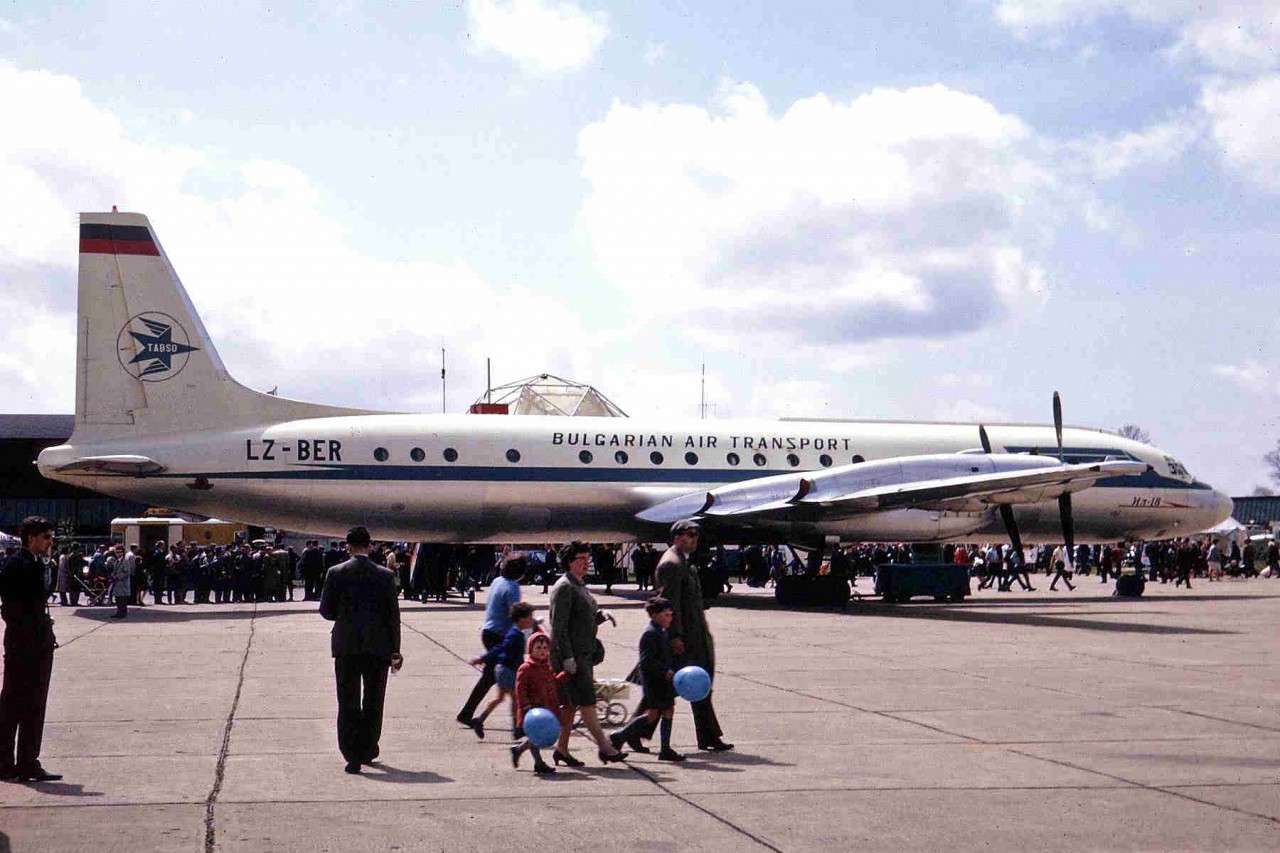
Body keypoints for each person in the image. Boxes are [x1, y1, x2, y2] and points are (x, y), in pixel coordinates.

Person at [319, 526, 402, 774]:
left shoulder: (335, 573)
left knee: (348, 701)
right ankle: (368, 748)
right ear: (370, 545)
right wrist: (395, 651)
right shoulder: (385, 576)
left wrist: (343, 616)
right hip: (378, 648)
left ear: (348, 546)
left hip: (346, 647)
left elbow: (326, 611)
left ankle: (352, 754)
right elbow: (393, 618)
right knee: (374, 701)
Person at [655, 519, 733, 752]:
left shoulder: (683, 562)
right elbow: (670, 606)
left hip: (694, 635)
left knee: (691, 687)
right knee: (668, 690)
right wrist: (675, 636)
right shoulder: (672, 563)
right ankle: (632, 732)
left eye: (696, 535)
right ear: (677, 537)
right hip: (685, 639)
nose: (695, 539)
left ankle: (708, 736)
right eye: (690, 535)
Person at [548, 542, 626, 766]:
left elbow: (581, 617)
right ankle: (606, 747)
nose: (585, 562)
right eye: (580, 559)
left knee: (571, 705)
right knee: (587, 702)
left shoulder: (579, 585)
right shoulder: (564, 587)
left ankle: (561, 749)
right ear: (569, 561)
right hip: (572, 656)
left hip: (583, 653)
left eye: (586, 558)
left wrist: (600, 616)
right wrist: (567, 658)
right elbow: (559, 626)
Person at [0, 516, 62, 782]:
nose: (51, 542)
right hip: (25, 645)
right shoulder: (19, 564)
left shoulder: (35, 564)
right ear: (31, 538)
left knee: (34, 705)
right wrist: (32, 634)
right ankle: (6, 763)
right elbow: (13, 608)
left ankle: (27, 762)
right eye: (46, 536)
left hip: (35, 643)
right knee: (14, 705)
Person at [610, 597, 684, 761]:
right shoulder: (650, 634)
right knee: (652, 714)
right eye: (666, 615)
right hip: (654, 681)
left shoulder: (661, 631)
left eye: (671, 615)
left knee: (666, 710)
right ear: (655, 615)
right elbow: (646, 661)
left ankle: (665, 749)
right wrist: (664, 671)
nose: (669, 618)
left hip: (662, 680)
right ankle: (619, 736)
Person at [457, 555, 525, 728]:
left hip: (488, 631)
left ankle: (467, 713)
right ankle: (519, 722)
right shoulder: (513, 587)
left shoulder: (498, 581)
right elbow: (516, 613)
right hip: (501, 635)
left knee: (490, 677)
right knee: (518, 674)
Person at [466, 601, 536, 739]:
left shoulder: (518, 632)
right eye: (530, 618)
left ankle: (479, 720)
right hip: (507, 671)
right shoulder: (514, 635)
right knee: (515, 699)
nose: (532, 620)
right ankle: (517, 728)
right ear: (522, 620)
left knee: (500, 698)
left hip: (504, 669)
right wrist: (483, 658)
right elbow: (501, 648)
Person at [511, 631, 564, 775]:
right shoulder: (526, 667)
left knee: (536, 736)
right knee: (535, 735)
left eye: (545, 648)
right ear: (531, 650)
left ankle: (519, 750)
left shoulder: (546, 667)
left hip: (546, 707)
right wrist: (525, 705)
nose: (542, 651)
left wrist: (565, 675)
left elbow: (553, 682)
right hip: (533, 708)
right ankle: (539, 763)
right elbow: (520, 688)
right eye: (538, 648)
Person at [111, 545, 138, 618]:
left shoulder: (125, 561)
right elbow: (114, 571)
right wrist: (113, 576)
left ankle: (122, 613)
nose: (118, 554)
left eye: (120, 552)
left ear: (123, 553)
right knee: (117, 599)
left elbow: (127, 572)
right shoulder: (116, 561)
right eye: (116, 552)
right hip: (117, 584)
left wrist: (118, 576)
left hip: (123, 583)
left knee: (122, 599)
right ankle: (118, 612)